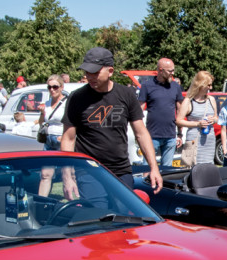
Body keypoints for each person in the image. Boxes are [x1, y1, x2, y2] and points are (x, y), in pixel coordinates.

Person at [59, 47, 162, 199]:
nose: (90, 77)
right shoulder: (77, 98)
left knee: (125, 218)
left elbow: (141, 133)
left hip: (121, 171)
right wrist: (67, 176)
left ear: (110, 71)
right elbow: (68, 139)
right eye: (87, 72)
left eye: (95, 72)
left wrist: (154, 168)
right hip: (89, 172)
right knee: (99, 217)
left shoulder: (126, 94)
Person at [136, 58, 183, 167]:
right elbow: (138, 111)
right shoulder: (147, 86)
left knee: (166, 171)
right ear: (160, 70)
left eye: (173, 70)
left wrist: (179, 134)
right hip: (152, 136)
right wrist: (140, 133)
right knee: (147, 169)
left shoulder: (175, 86)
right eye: (170, 71)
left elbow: (180, 110)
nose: (173, 73)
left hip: (170, 136)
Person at [176, 70, 218, 167]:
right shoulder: (188, 101)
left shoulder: (211, 100)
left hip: (209, 139)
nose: (210, 88)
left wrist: (213, 120)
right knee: (195, 167)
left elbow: (216, 117)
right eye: (208, 85)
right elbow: (178, 121)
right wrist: (197, 124)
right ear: (201, 84)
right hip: (195, 140)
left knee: (209, 166)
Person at [38, 75, 68, 151]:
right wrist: (42, 113)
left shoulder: (67, 103)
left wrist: (63, 137)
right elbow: (41, 123)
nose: (52, 89)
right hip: (48, 139)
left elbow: (73, 122)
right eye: (49, 87)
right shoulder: (47, 103)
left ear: (61, 87)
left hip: (60, 137)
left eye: (55, 87)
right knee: (47, 162)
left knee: (61, 162)